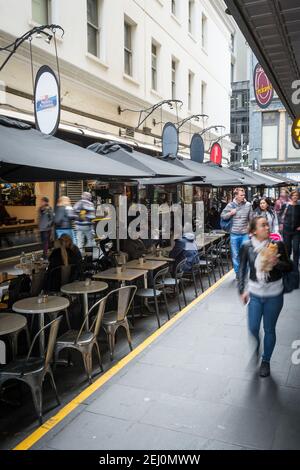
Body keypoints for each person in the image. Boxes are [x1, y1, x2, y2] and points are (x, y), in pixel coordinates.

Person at [238, 216, 293, 378]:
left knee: (269, 329)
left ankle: (266, 361)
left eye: (267, 225)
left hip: (274, 295)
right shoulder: (247, 247)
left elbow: (289, 266)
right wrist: (242, 290)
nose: (267, 228)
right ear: (254, 231)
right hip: (254, 294)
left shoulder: (277, 245)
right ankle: (256, 348)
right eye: (263, 225)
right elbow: (242, 270)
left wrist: (277, 262)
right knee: (253, 328)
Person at [221, 187, 252, 279]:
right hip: (234, 234)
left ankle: (244, 272)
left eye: (244, 195)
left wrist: (251, 230)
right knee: (235, 254)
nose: (243, 196)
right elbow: (223, 216)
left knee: (245, 253)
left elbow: (251, 219)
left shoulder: (248, 205)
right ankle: (238, 273)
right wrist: (230, 213)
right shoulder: (230, 205)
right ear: (236, 196)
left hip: (245, 234)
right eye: (241, 195)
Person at [281, 190, 300, 271]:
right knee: (287, 249)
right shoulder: (285, 205)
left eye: (297, 195)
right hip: (286, 230)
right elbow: (280, 216)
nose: (295, 197)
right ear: (291, 196)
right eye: (293, 195)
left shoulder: (299, 206)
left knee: (296, 248)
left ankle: (295, 266)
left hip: (297, 231)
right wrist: (282, 225)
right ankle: (288, 265)